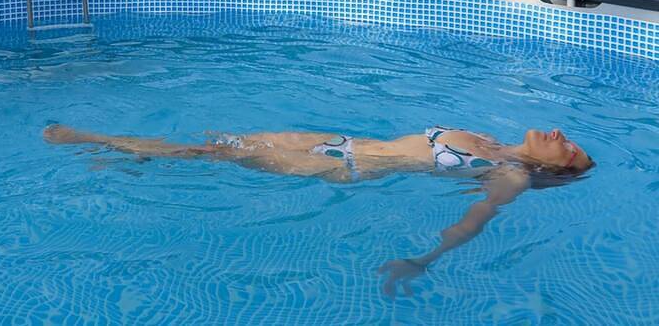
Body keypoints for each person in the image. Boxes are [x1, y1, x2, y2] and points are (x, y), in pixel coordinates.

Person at [43, 124, 594, 297]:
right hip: (337, 139)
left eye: (568, 149)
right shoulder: (491, 140)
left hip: (341, 168)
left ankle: (103, 146)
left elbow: (473, 221)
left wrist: (423, 261)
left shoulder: (512, 175)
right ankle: (129, 159)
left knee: (212, 153)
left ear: (558, 170)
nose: (561, 136)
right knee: (216, 146)